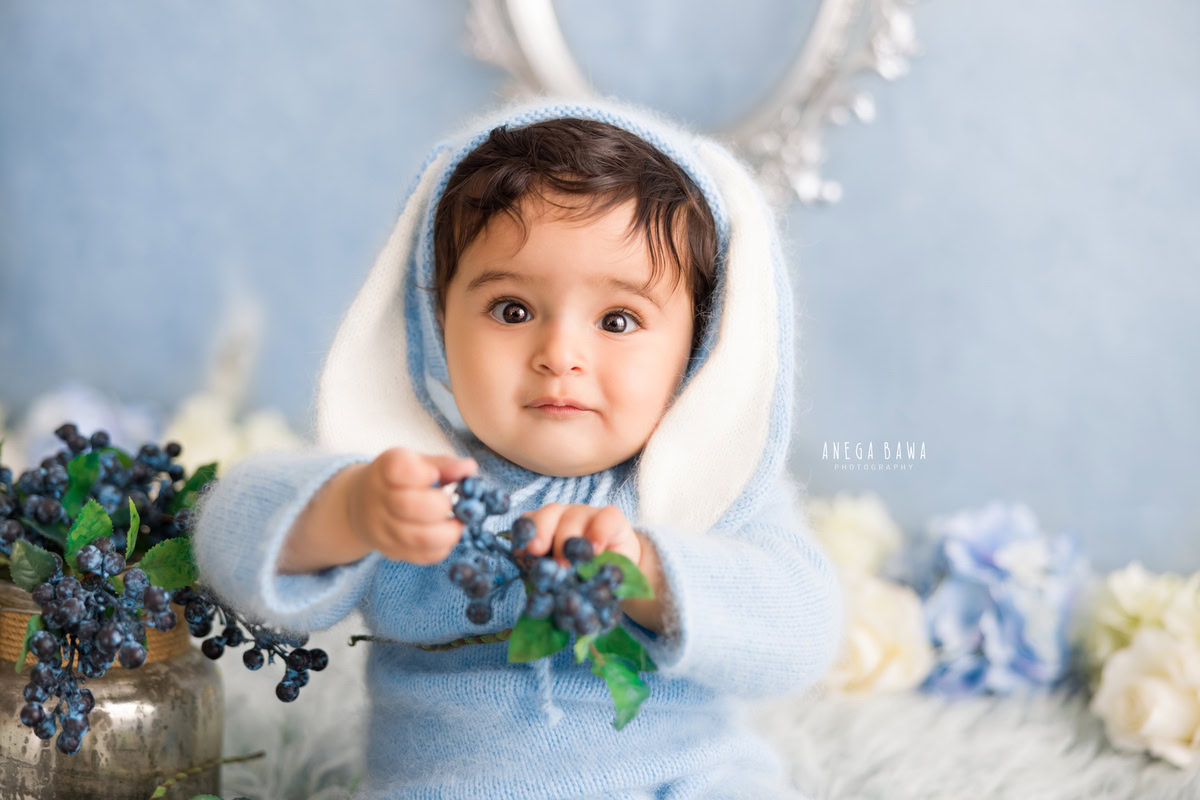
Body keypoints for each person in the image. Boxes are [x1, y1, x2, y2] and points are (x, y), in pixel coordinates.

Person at [192, 95, 844, 800]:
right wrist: (346, 512)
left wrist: (650, 571)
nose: (559, 355)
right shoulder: (416, 488)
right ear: (439, 322)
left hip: (680, 780)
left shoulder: (707, 489)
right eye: (512, 310)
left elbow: (802, 625)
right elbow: (226, 527)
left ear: (697, 346)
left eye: (618, 320)